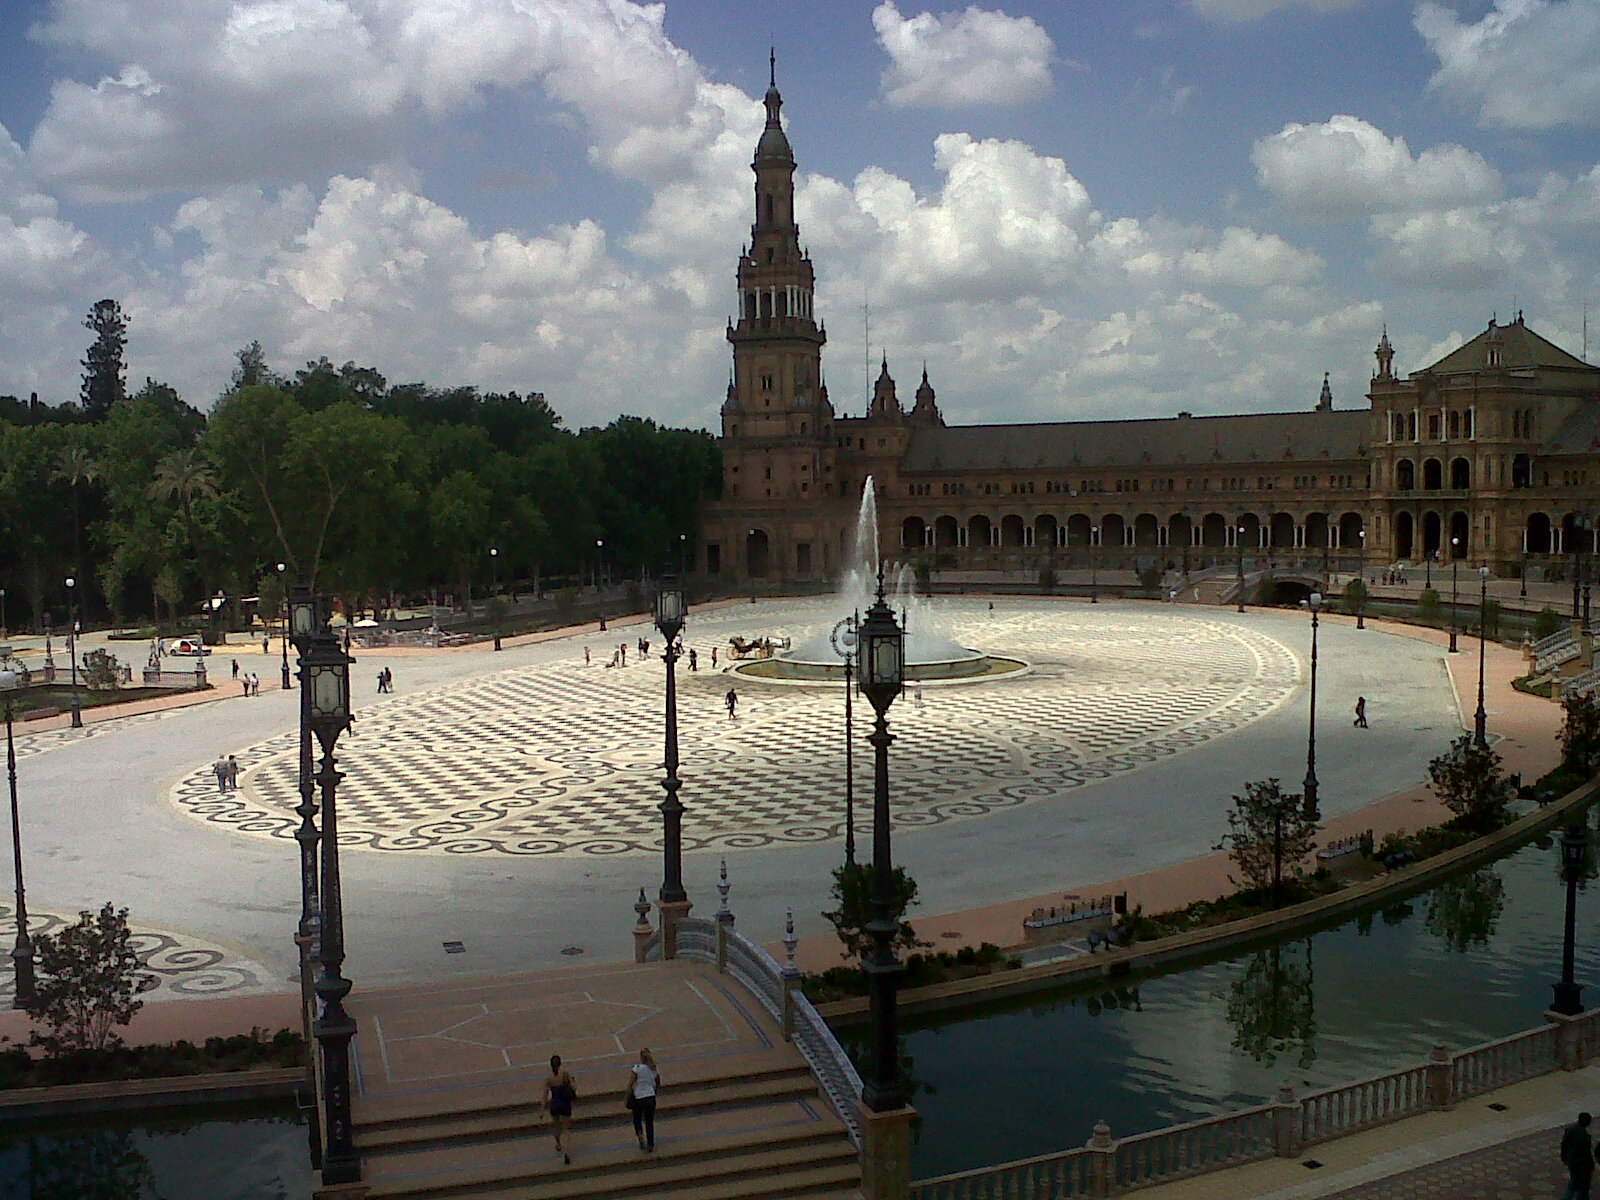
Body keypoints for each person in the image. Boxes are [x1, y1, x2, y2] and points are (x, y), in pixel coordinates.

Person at [541, 1054, 577, 1164]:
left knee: (557, 1128)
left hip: (555, 1104)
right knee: (567, 1129)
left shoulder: (549, 1079)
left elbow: (545, 1095)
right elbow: (574, 1086)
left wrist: (542, 1110)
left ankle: (558, 1144)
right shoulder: (565, 1074)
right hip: (565, 1103)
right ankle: (566, 1152)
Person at [627, 1047, 660, 1152]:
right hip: (650, 1096)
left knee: (637, 1118)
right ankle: (650, 1143)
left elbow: (631, 1083)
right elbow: (658, 1082)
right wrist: (654, 1091)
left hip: (638, 1097)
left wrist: (628, 1095)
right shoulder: (653, 1068)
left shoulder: (637, 1068)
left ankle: (640, 1135)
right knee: (649, 1121)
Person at [1560, 1111, 1595, 1200]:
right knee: (1582, 1188)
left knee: (1573, 1184)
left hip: (1571, 1162)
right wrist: (1591, 1166)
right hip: (1582, 1166)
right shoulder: (1585, 1137)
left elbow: (1564, 1145)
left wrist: (1564, 1158)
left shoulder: (1569, 1130)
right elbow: (1586, 1154)